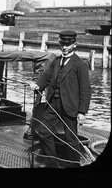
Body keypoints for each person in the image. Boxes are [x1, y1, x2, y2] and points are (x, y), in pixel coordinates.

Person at [29, 30, 91, 168]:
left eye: (68, 44)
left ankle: (74, 165)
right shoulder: (56, 61)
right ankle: (53, 163)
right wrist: (37, 85)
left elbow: (86, 90)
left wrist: (82, 112)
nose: (64, 47)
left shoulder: (80, 65)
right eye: (62, 43)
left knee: (71, 139)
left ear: (75, 45)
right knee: (43, 131)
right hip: (53, 104)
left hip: (69, 107)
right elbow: (46, 77)